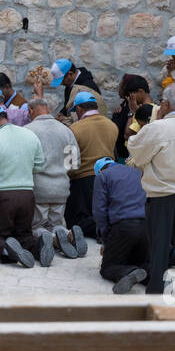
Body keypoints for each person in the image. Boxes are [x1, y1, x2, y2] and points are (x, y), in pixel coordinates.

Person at [125, 83, 175, 298]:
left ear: (166, 104)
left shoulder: (157, 128)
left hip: (161, 195)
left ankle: (156, 289)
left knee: (159, 245)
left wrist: (154, 121)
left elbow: (136, 152)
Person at [0, 104, 51, 268]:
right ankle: (40, 247)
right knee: (25, 235)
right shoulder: (30, 135)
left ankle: (7, 250)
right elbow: (39, 167)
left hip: (1, 197)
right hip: (27, 195)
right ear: (5, 117)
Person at [25, 97, 87, 258]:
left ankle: (51, 239)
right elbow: (74, 163)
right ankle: (67, 234)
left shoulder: (28, 131)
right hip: (61, 187)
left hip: (38, 187)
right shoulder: (66, 131)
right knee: (57, 223)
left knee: (38, 225)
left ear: (31, 110)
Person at [92, 157, 153, 294]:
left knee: (108, 267)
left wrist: (107, 239)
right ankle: (159, 278)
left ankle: (128, 272)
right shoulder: (137, 172)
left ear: (100, 170)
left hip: (124, 226)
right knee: (138, 263)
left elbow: (99, 211)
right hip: (146, 227)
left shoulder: (103, 177)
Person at [66, 91, 118, 242]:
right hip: (108, 177)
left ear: (80, 109)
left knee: (75, 220)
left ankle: (102, 230)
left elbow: (69, 163)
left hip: (83, 181)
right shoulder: (112, 126)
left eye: (75, 110)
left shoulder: (74, 129)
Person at [44, 57, 109, 121]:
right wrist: (62, 113)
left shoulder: (88, 87)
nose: (61, 83)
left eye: (62, 80)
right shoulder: (69, 84)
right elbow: (68, 105)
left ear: (70, 74)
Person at [112, 74, 151, 161]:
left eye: (132, 96)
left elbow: (127, 135)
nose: (130, 99)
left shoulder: (146, 110)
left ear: (141, 92)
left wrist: (132, 112)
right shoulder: (134, 107)